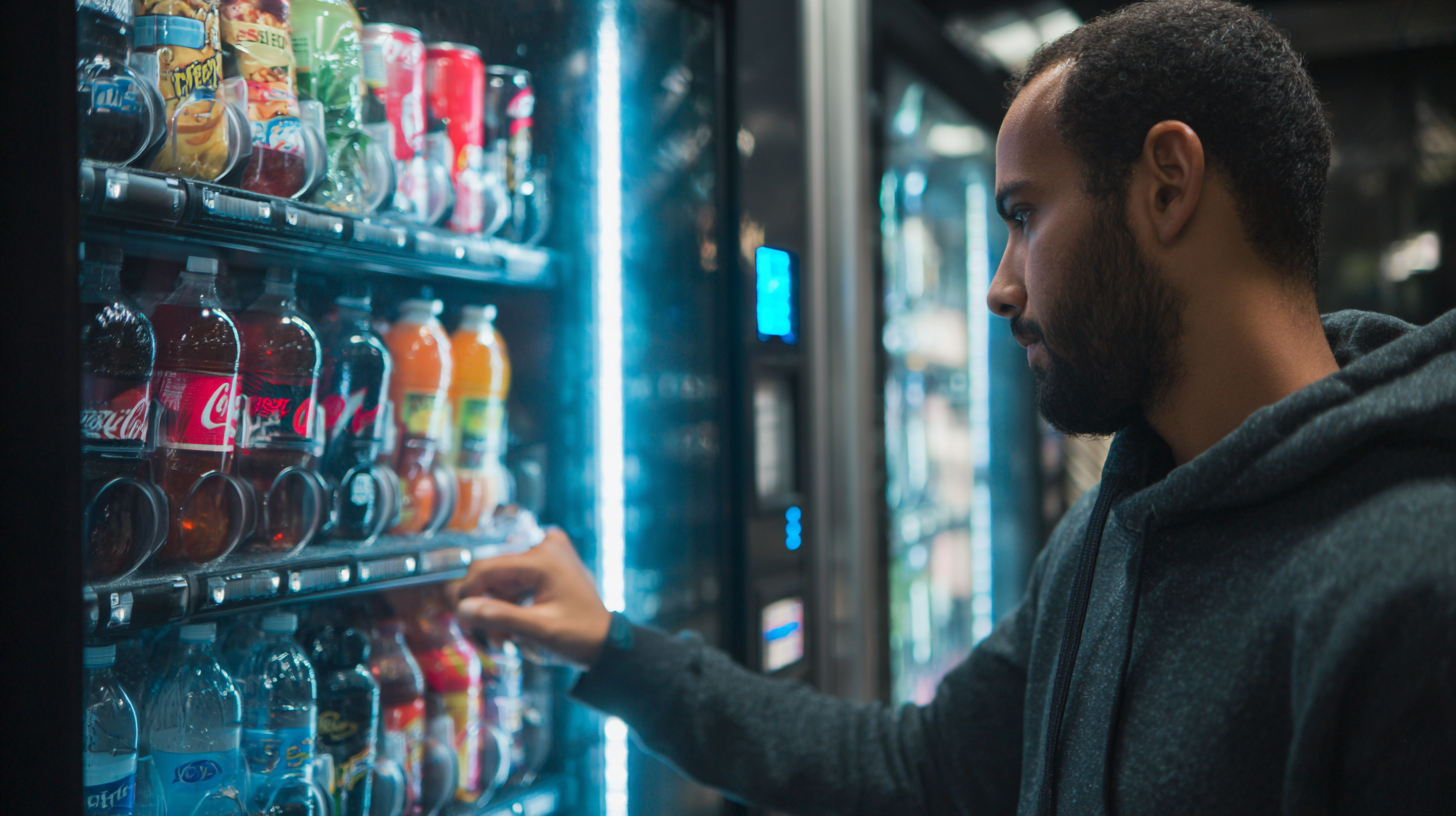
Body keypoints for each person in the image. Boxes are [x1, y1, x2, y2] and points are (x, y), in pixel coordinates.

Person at [455, 1, 1456, 813]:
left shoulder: (1411, 588)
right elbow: (922, 768)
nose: (999, 286)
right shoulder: (1114, 531)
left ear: (1166, 185)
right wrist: (613, 648)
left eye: (1024, 217)